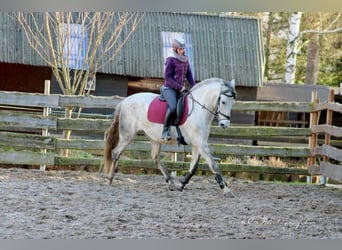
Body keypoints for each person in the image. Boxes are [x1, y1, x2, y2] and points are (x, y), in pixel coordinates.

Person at [160, 37, 196, 140]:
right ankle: (165, 131)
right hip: (169, 89)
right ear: (175, 49)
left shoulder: (185, 59)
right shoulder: (170, 60)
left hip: (181, 89)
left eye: (183, 49)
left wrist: (195, 86)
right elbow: (167, 77)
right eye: (180, 49)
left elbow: (189, 74)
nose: (182, 51)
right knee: (173, 107)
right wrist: (180, 87)